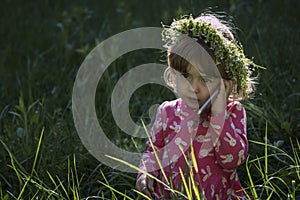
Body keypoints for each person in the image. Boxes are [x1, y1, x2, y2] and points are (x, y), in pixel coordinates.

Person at [136, 13, 262, 200]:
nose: (193, 87)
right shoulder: (167, 112)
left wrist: (218, 113)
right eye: (186, 76)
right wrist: (145, 173)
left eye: (205, 79)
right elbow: (154, 150)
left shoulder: (232, 113)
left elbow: (232, 160)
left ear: (225, 81)